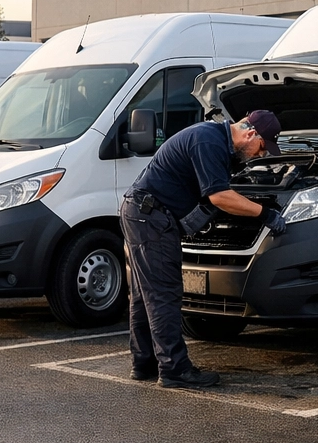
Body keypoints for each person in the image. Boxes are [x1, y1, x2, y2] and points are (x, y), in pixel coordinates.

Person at [121, 109, 287, 387]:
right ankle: (175, 370)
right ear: (250, 134)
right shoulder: (208, 141)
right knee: (164, 295)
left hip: (141, 213)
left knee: (145, 294)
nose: (261, 155)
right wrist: (265, 214)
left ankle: (144, 363)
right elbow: (219, 196)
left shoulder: (213, 139)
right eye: (262, 147)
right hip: (150, 217)